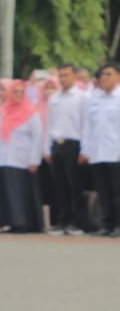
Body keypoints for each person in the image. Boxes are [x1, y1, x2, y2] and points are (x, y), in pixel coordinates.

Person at [0, 79, 45, 233]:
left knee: (20, 193)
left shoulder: (31, 113)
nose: (18, 94)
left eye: (21, 92)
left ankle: (24, 223)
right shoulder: (0, 112)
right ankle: (10, 222)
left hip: (22, 160)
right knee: (6, 192)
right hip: (3, 158)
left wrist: (34, 160)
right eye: (15, 91)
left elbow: (37, 137)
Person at [44, 63, 89, 234]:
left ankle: (75, 222)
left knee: (74, 185)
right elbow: (49, 124)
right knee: (59, 185)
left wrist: (85, 149)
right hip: (57, 144)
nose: (63, 79)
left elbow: (85, 124)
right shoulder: (54, 98)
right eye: (60, 75)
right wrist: (47, 148)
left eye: (66, 75)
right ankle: (61, 222)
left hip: (74, 144)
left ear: (75, 76)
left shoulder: (82, 97)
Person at [82, 61, 120, 236]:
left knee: (117, 191)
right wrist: (86, 150)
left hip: (116, 153)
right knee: (103, 191)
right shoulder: (95, 99)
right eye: (102, 75)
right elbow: (88, 127)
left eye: (109, 74)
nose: (104, 78)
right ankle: (107, 224)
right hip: (98, 153)